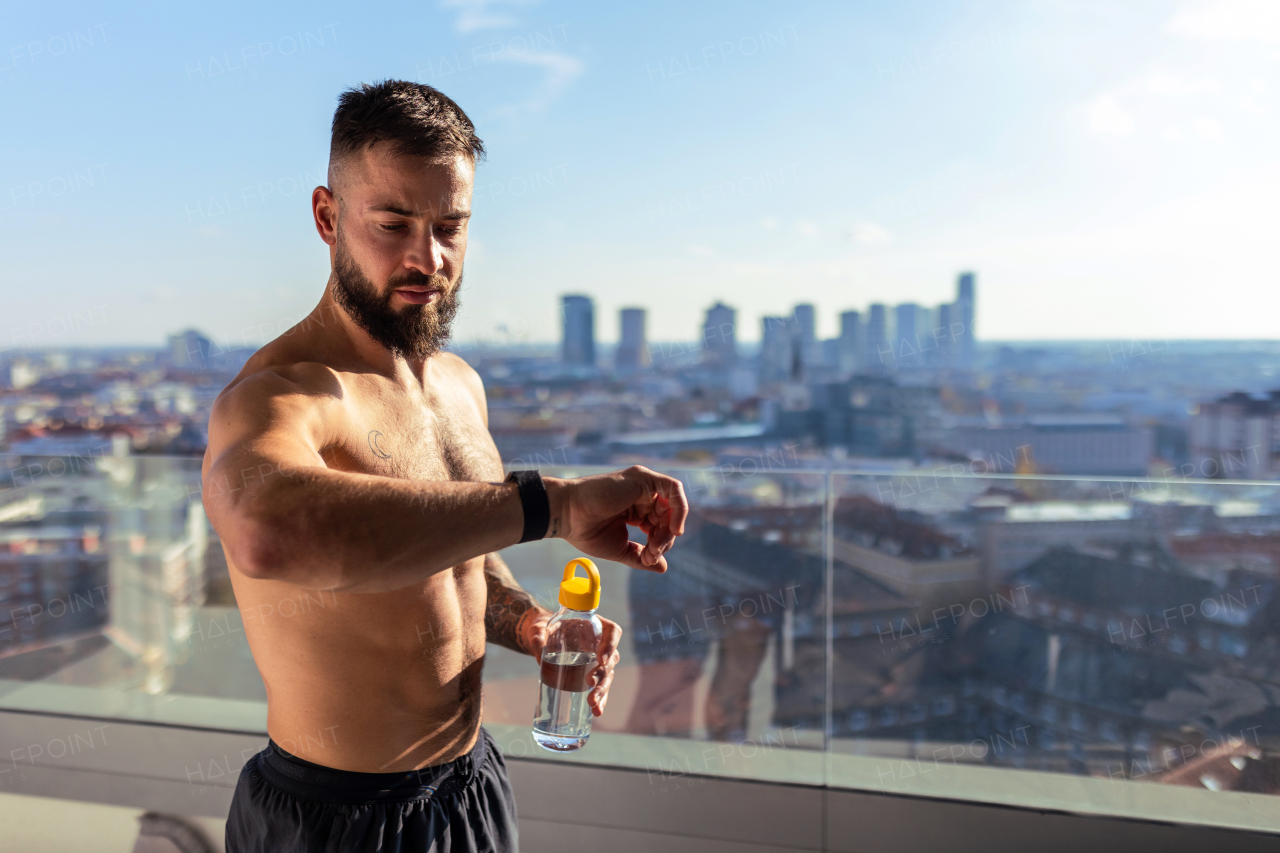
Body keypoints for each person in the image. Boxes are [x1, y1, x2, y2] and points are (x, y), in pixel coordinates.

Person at [202, 80, 688, 853]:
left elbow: (458, 559)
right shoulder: (283, 394)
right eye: (392, 223)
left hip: (468, 788)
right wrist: (553, 507)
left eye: (449, 226)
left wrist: (530, 624)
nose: (426, 257)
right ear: (329, 217)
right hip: (333, 818)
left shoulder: (459, 387)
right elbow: (267, 532)